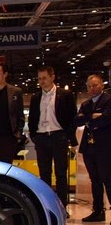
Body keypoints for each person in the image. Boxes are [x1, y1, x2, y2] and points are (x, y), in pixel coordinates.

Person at [27, 66, 77, 209]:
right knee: (44, 174)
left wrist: (67, 135)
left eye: (44, 78)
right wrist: (34, 135)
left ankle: (62, 207)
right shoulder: (36, 97)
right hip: (41, 137)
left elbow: (72, 117)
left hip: (58, 136)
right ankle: (47, 206)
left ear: (52, 77)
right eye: (39, 79)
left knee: (61, 173)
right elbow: (32, 118)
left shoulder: (65, 95)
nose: (41, 81)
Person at [75, 74, 111, 223]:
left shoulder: (108, 100)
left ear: (102, 85)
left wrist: (89, 120)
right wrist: (92, 117)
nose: (92, 88)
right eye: (89, 86)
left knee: (107, 178)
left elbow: (106, 119)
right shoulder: (86, 104)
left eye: (95, 85)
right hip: (89, 146)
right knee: (94, 179)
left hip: (105, 146)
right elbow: (78, 121)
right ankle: (98, 210)